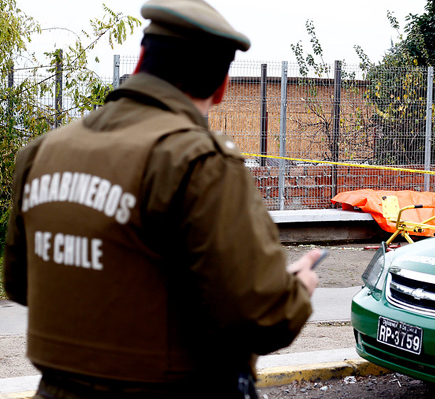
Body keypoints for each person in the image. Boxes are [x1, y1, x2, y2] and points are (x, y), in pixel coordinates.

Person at [2, 0, 320, 397]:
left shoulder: (41, 152)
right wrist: (296, 290)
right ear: (221, 87)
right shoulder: (198, 161)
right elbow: (260, 319)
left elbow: (20, 283)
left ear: (140, 63)